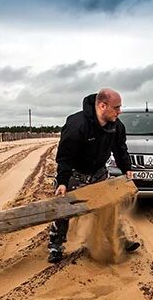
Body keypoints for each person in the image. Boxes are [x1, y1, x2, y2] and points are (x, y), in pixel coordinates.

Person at [48, 88, 140, 263]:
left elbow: (120, 149)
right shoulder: (77, 125)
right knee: (63, 210)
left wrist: (126, 168)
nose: (120, 112)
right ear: (102, 106)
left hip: (98, 172)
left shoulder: (117, 126)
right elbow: (65, 157)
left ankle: (120, 241)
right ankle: (56, 246)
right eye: (116, 107)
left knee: (108, 207)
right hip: (75, 173)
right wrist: (62, 181)